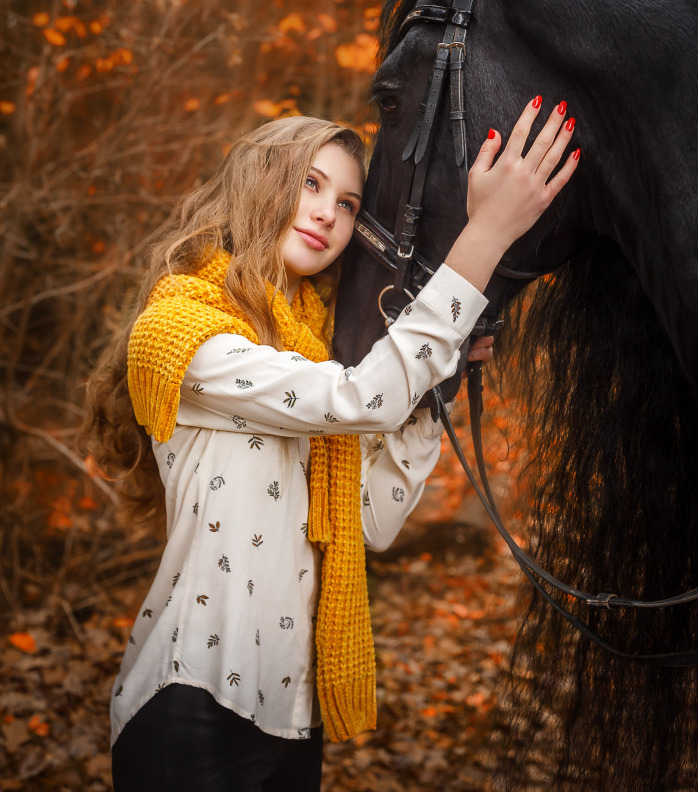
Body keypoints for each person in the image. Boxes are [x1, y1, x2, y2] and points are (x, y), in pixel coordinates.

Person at [81, 97, 578, 792]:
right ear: (259, 184)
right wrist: (485, 234)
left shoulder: (314, 351)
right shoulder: (184, 336)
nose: (327, 214)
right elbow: (360, 398)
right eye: (310, 184)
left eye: (348, 203)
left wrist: (435, 391)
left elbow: (373, 519)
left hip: (293, 715)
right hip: (190, 706)